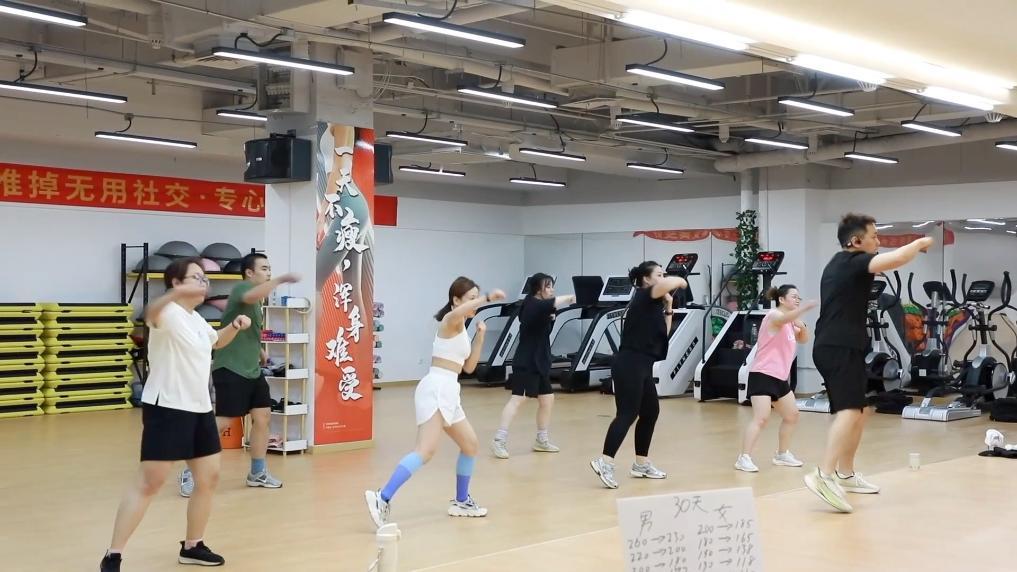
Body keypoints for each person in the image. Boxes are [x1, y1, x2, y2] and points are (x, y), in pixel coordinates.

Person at [100, 258, 252, 571]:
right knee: (150, 482)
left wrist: (234, 327)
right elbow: (150, 313)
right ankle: (113, 555)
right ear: (176, 283)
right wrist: (174, 294)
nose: (204, 282)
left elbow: (216, 342)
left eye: (205, 278)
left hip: (200, 408)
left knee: (208, 478)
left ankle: (193, 546)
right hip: (167, 408)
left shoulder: (196, 318)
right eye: (196, 277)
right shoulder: (167, 313)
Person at [804, 213, 934, 513]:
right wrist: (920, 243)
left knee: (859, 412)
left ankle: (845, 474)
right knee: (850, 411)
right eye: (874, 236)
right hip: (837, 347)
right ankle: (823, 475)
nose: (878, 241)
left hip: (842, 346)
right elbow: (896, 259)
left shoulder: (843, 263)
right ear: (855, 241)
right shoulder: (852, 262)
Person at [364, 277, 507, 528]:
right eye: (471, 298)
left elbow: (469, 368)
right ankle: (382, 497)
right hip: (437, 388)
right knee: (425, 451)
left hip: (450, 390)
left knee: (470, 445)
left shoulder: (462, 327)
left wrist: (480, 337)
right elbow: (459, 314)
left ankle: (461, 501)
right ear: (456, 300)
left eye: (476, 298)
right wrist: (486, 298)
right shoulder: (450, 320)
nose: (475, 303)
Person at [179, 253, 300, 497]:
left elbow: (249, 329)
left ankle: (257, 472)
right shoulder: (242, 289)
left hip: (251, 370)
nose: (268, 272)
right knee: (223, 421)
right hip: (230, 367)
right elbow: (250, 296)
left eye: (270, 268)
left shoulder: (257, 301)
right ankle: (190, 471)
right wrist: (280, 280)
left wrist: (260, 350)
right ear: (249, 273)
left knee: (263, 417)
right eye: (264, 268)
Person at [591, 262, 687, 489]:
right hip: (629, 364)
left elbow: (663, 334)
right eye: (659, 274)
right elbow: (674, 283)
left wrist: (669, 308)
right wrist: (680, 280)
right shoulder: (645, 295)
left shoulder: (653, 304)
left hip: (642, 366)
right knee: (627, 414)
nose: (663, 277)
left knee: (650, 412)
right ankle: (605, 461)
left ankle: (641, 464)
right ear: (646, 279)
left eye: (663, 274)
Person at [491, 273, 576, 459]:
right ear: (538, 289)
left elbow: (548, 315)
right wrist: (570, 297)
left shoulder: (542, 307)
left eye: (552, 286)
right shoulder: (531, 304)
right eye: (548, 286)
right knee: (518, 399)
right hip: (527, 361)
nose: (552, 290)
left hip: (540, 361)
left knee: (547, 399)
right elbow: (552, 303)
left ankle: (541, 440)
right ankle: (499, 440)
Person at [735, 285, 817, 472]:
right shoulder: (773, 316)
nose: (798, 300)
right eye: (794, 297)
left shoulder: (790, 322)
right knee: (761, 418)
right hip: (762, 374)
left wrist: (802, 325)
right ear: (781, 299)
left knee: (792, 415)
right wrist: (803, 310)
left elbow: (804, 339)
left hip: (780, 377)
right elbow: (782, 319)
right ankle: (743, 458)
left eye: (799, 298)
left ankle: (782, 454)